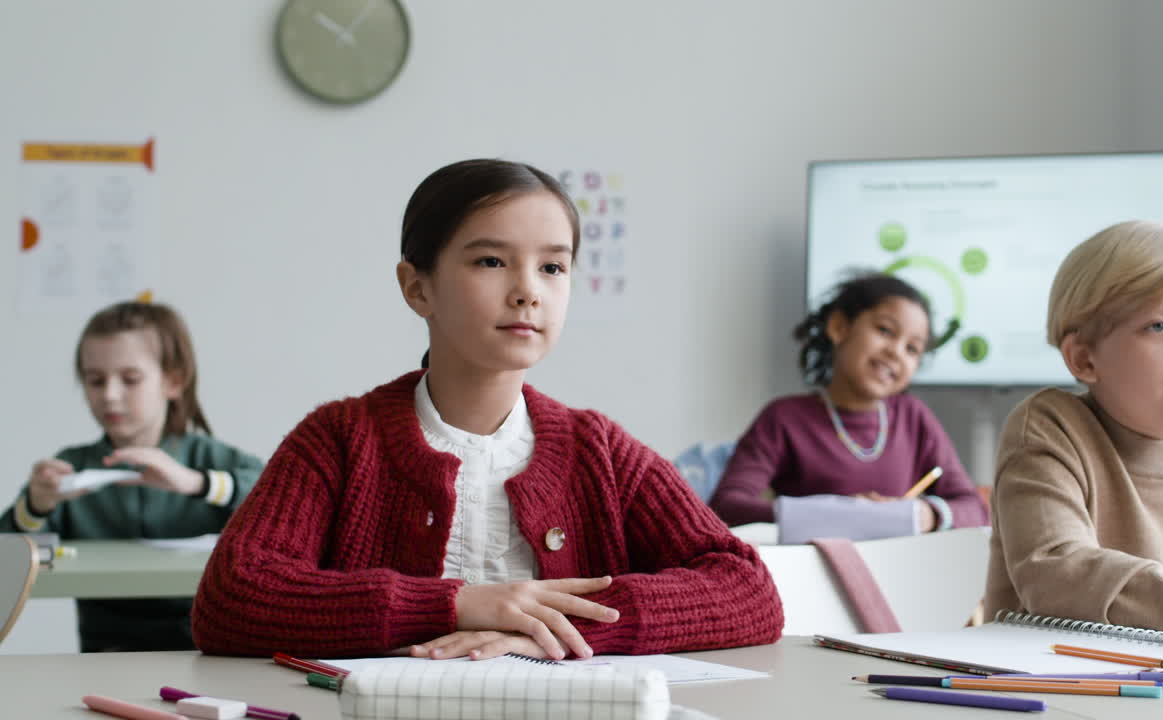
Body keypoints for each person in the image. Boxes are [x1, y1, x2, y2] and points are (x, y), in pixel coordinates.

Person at [191, 159, 783, 660]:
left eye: (553, 266)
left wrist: (558, 625)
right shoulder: (340, 439)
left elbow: (749, 590)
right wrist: (457, 604)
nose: (529, 289)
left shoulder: (598, 449)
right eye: (491, 262)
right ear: (417, 287)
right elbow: (232, 597)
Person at [985, 220, 1163, 637]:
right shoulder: (1048, 431)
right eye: (1158, 326)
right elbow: (1058, 577)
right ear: (1085, 359)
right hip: (1055, 687)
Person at [1, 301, 263, 651]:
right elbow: (8, 554)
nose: (109, 395)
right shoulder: (69, 468)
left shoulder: (212, 459)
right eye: (95, 381)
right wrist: (35, 504)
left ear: (173, 381)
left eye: (130, 379)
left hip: (204, 648)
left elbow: (283, 504)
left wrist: (196, 483)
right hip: (104, 652)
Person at [709, 272, 988, 542]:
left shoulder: (913, 417)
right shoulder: (783, 418)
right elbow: (727, 507)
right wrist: (838, 514)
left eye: (912, 349)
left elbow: (974, 509)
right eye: (885, 330)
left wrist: (926, 514)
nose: (896, 352)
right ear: (840, 327)